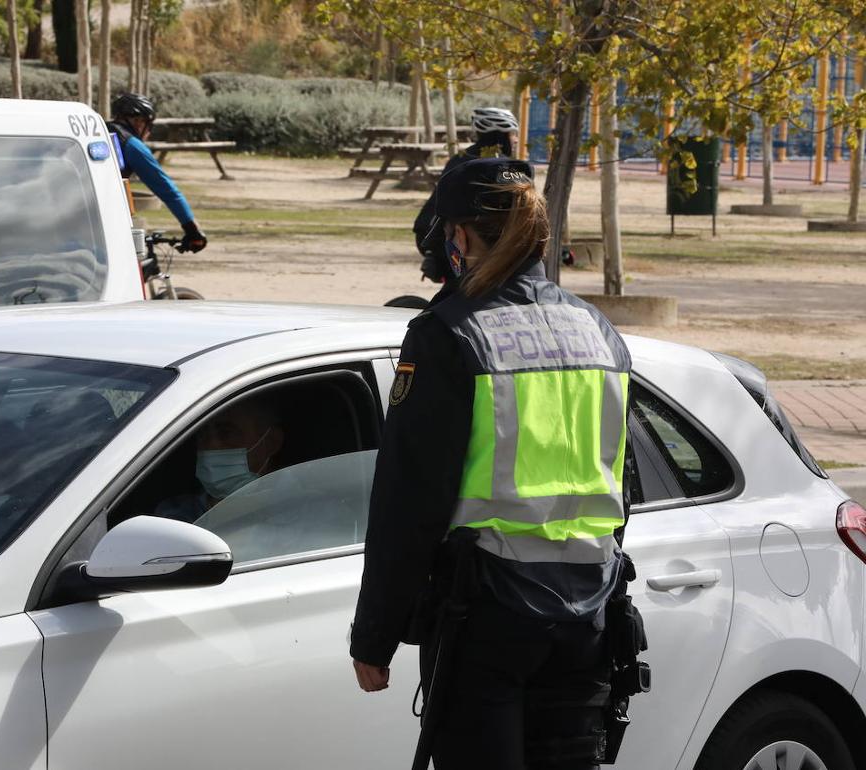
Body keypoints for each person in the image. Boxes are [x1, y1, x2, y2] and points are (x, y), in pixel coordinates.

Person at [351, 157, 637, 769]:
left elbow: (410, 497)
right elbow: (621, 478)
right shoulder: (597, 329)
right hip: (589, 611)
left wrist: (375, 635)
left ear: (459, 235)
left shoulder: (449, 333)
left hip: (488, 615)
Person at [412, 107, 521, 286]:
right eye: (512, 134)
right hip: (462, 241)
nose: (516, 139)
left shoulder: (460, 159)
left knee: (457, 289)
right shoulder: (503, 167)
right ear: (500, 135)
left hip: (432, 235)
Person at [155, 397, 284, 523]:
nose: (211, 446)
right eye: (203, 434)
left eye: (226, 433)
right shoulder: (174, 515)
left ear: (270, 442)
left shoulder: (292, 508)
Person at [108, 92, 208, 254]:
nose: (149, 131)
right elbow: (167, 190)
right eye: (148, 125)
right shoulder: (131, 145)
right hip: (106, 222)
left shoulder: (99, 133)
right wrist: (192, 229)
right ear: (138, 121)